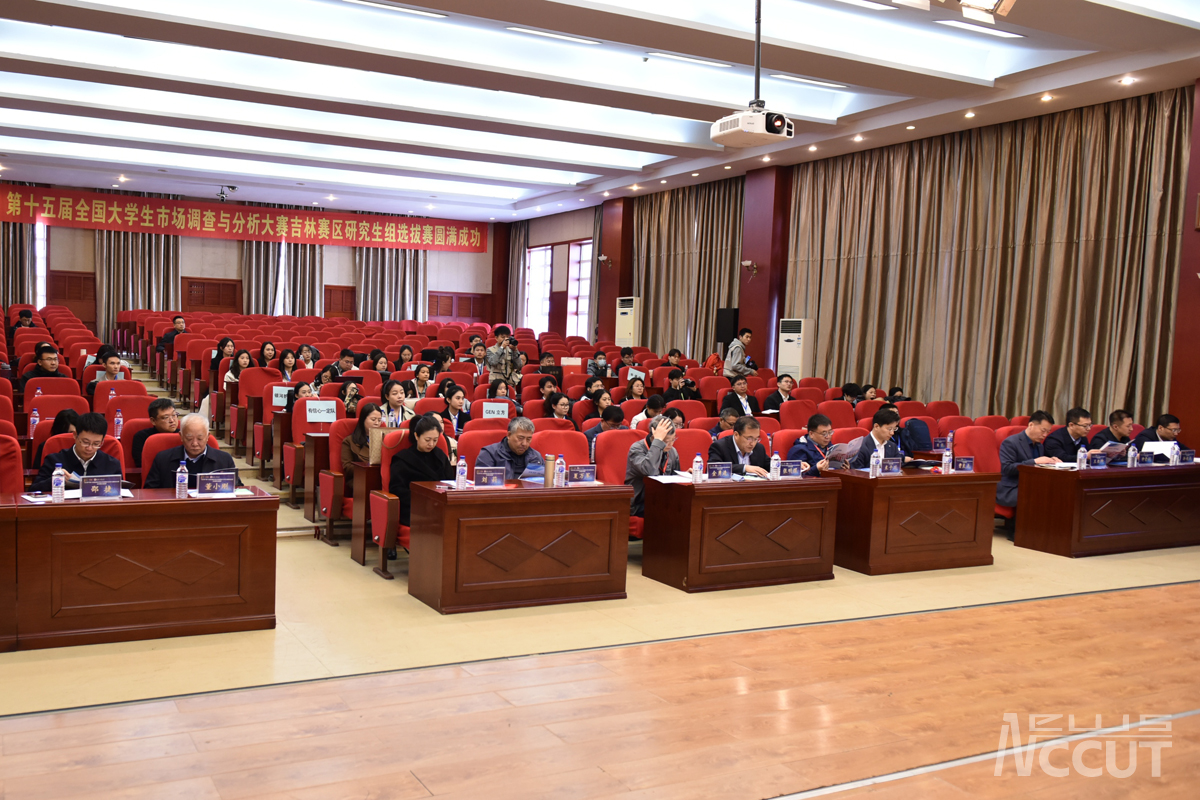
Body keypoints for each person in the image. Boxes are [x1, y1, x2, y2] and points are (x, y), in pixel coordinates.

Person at [144, 414, 241, 490]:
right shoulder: (163, 459)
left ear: (207, 436)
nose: (195, 443)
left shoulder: (224, 460)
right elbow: (150, 491)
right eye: (189, 438)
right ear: (181, 436)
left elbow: (237, 489)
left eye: (200, 438)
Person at [388, 415, 454, 527]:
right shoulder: (403, 459)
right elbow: (397, 489)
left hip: (440, 504)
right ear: (416, 436)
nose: (431, 444)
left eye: (435, 440)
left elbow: (450, 482)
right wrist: (424, 501)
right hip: (414, 508)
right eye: (427, 440)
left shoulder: (440, 455)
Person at [31, 412, 122, 491]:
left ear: (102, 441)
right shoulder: (54, 461)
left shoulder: (112, 464)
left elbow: (122, 494)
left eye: (96, 444)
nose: (89, 448)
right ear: (75, 435)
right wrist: (54, 480)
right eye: (85, 442)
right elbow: (33, 490)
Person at [998, 411, 1059, 518]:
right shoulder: (1011, 442)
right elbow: (1007, 468)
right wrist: (1034, 462)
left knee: (1056, 491)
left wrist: (1052, 462)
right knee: (1037, 495)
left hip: (1031, 484)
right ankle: (1021, 527)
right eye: (1043, 430)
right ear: (1031, 425)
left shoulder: (1039, 446)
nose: (1045, 435)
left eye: (1048, 432)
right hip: (1012, 487)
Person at [626, 416, 680, 517]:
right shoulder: (637, 449)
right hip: (640, 504)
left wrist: (685, 476)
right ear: (653, 437)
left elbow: (674, 479)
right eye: (665, 441)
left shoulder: (672, 451)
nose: (670, 444)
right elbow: (649, 471)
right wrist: (658, 442)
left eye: (673, 439)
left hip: (663, 500)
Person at [476, 417, 545, 479]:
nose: (524, 443)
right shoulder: (489, 454)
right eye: (520, 438)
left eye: (528, 439)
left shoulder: (536, 457)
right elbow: (484, 483)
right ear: (509, 435)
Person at [342, 403, 383, 496]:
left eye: (379, 420)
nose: (377, 423)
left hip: (381, 477)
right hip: (360, 480)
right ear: (363, 419)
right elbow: (347, 467)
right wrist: (366, 468)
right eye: (373, 419)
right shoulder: (349, 441)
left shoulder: (385, 440)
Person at [132, 398, 179, 468]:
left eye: (174, 415)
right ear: (153, 421)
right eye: (166, 417)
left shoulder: (183, 435)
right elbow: (142, 464)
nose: (172, 420)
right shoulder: (142, 437)